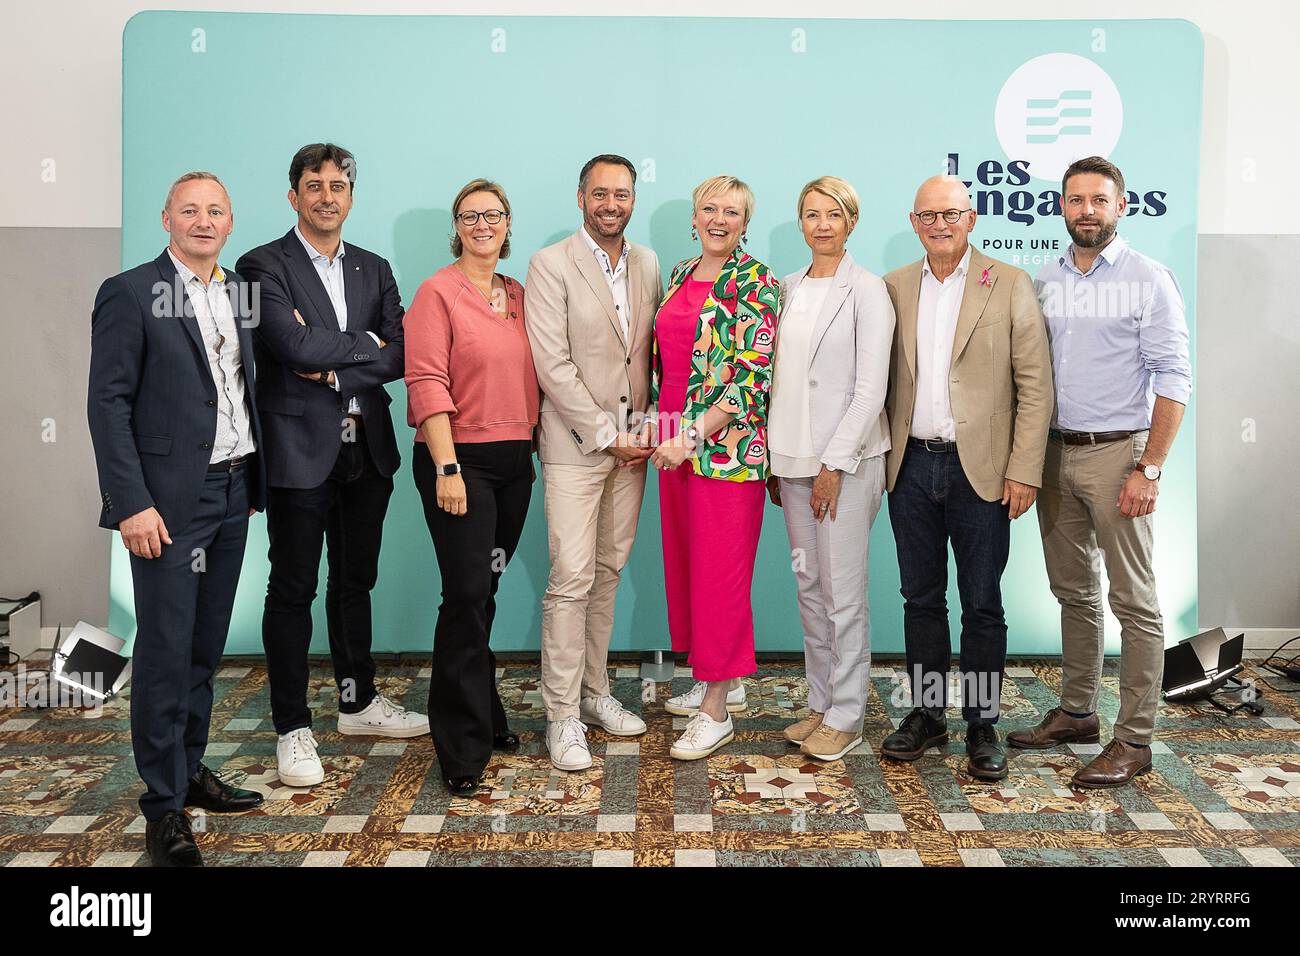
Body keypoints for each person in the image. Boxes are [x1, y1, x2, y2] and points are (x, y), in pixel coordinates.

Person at [88, 171, 265, 866]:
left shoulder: (236, 293)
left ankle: (188, 770)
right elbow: (107, 403)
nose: (202, 220)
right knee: (164, 651)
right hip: (164, 503)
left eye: (215, 210)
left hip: (232, 490)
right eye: (189, 210)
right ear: (165, 217)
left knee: (203, 647)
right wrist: (130, 502)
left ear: (230, 221)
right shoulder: (129, 293)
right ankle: (163, 805)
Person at [236, 143, 425, 791]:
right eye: (313, 185)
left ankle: (357, 702)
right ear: (294, 196)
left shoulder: (374, 268)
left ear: (351, 196)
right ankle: (292, 726)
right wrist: (356, 347)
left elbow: (401, 352)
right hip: (297, 451)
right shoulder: (261, 264)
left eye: (338, 185)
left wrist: (330, 359)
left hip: (364, 449)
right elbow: (286, 343)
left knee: (353, 581)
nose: (326, 195)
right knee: (293, 588)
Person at [1009, 156, 1192, 789]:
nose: (1086, 209)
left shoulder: (1148, 278)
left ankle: (1135, 738)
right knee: (1074, 593)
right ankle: (1079, 713)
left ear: (1120, 207)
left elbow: (1174, 379)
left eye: (1099, 200)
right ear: (1061, 207)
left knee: (1133, 602)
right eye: (1075, 199)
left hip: (1122, 455)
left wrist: (1151, 467)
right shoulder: (1045, 277)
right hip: (1056, 454)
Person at [879, 175, 1053, 781]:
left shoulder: (1008, 283)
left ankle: (983, 722)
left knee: (982, 603)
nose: (940, 224)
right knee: (920, 599)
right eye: (928, 215)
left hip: (982, 471)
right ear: (913, 221)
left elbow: (1035, 386)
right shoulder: (894, 286)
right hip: (910, 466)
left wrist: (1025, 469)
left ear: (972, 217)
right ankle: (926, 715)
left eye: (951, 213)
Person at [524, 155, 662, 771]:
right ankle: (561, 716)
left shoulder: (649, 263)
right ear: (580, 196)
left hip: (633, 450)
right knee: (571, 578)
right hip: (577, 448)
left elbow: (649, 359)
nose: (612, 204)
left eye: (622, 194)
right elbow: (552, 367)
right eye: (600, 193)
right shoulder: (550, 264)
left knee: (608, 571)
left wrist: (647, 429)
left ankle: (596, 692)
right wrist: (608, 435)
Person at [404, 179, 540, 795]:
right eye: (470, 215)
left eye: (494, 214)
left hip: (516, 463)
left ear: (508, 224)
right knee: (462, 595)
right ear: (457, 226)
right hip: (462, 463)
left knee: (484, 589)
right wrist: (448, 467)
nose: (483, 224)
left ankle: (485, 711)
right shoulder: (437, 291)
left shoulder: (518, 294)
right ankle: (460, 743)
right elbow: (426, 379)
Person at [765, 176, 896, 761]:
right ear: (800, 222)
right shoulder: (784, 287)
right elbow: (774, 381)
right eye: (812, 214)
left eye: (834, 215)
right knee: (810, 587)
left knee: (843, 593)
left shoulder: (868, 291)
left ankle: (847, 713)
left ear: (851, 223)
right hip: (790, 460)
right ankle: (821, 703)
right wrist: (774, 457)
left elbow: (870, 389)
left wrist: (833, 464)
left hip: (844, 463)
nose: (822, 224)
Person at [651, 175, 779, 761]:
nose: (719, 219)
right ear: (694, 217)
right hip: (671, 441)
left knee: (721, 572)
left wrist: (692, 435)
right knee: (685, 564)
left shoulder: (756, 282)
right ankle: (710, 672)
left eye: (732, 211)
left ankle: (717, 709)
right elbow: (666, 365)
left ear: (745, 222)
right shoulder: (679, 274)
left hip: (724, 449)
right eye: (709, 208)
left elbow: (752, 379)